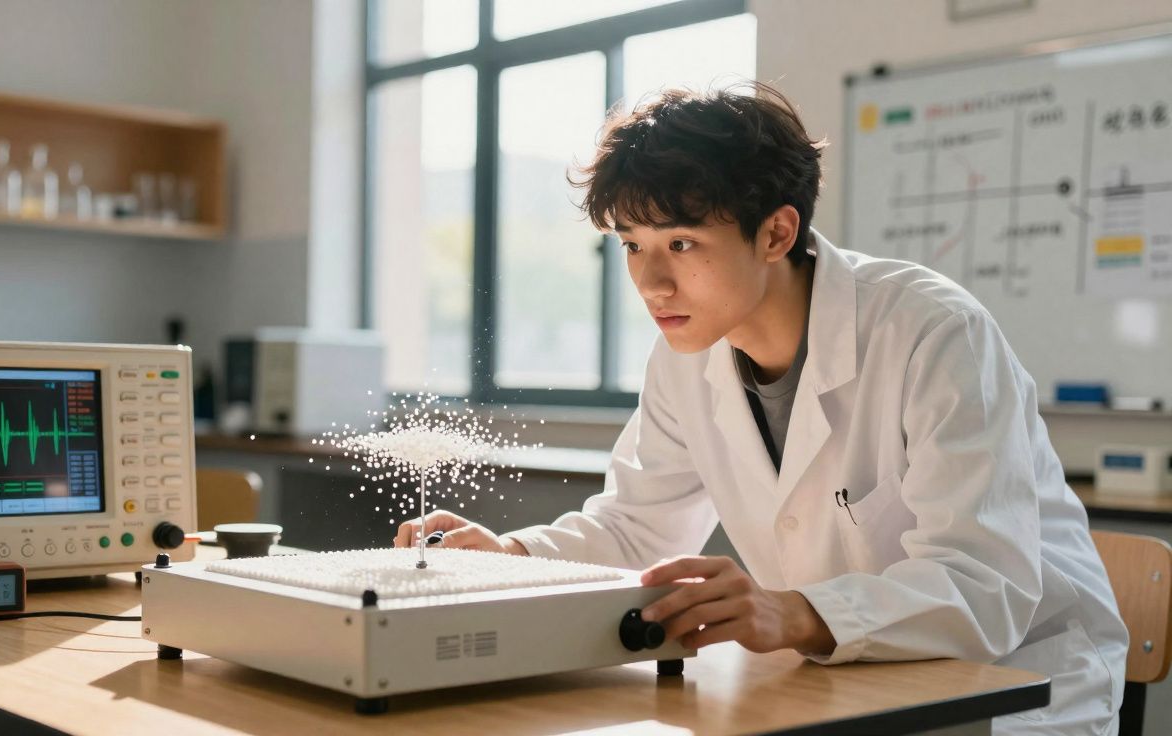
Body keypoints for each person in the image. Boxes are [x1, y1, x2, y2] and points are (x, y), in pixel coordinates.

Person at [393, 82, 1126, 734]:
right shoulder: (685, 353)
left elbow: (982, 585)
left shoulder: (931, 332)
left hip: (1016, 689)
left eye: (682, 242)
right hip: (842, 686)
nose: (651, 283)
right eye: (631, 244)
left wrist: (793, 613)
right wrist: (515, 557)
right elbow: (636, 526)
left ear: (776, 232)